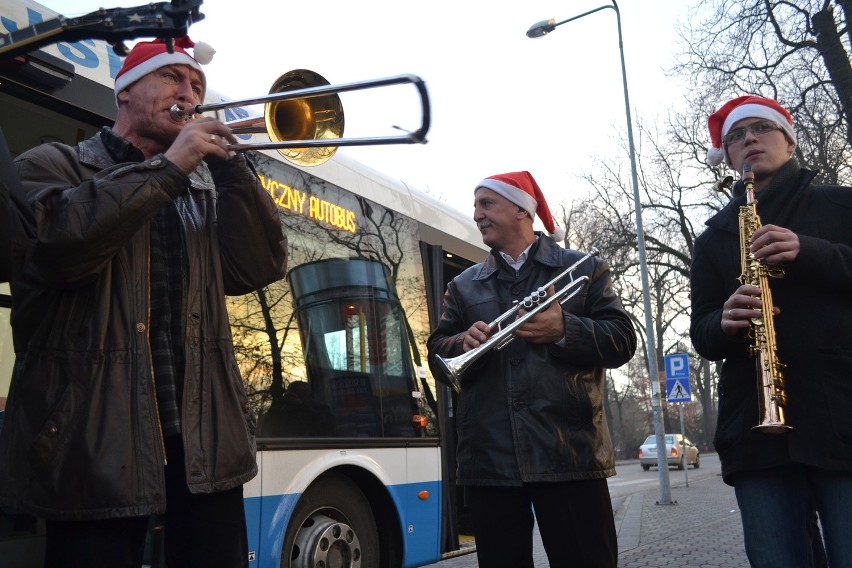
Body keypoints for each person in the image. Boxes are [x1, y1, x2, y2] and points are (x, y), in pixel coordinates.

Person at [0, 36, 288, 568]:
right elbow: (52, 249)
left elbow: (258, 268)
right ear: (125, 93)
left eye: (197, 87)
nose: (189, 95)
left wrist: (231, 172)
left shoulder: (201, 196)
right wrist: (171, 167)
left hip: (202, 441)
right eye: (172, 78)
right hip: (94, 440)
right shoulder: (54, 163)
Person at [427, 171, 636, 568]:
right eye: (475, 205)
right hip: (491, 460)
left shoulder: (584, 268)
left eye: (486, 204)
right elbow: (439, 354)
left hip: (571, 454)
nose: (477, 215)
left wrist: (565, 329)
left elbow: (623, 340)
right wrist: (460, 343)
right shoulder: (464, 286)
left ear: (522, 209)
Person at [690, 95, 852, 567]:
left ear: (789, 139)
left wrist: (812, 251)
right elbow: (702, 330)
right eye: (735, 136)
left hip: (842, 414)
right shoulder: (714, 236)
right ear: (729, 155)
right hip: (756, 432)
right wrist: (722, 320)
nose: (749, 139)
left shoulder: (842, 205)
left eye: (761, 128)